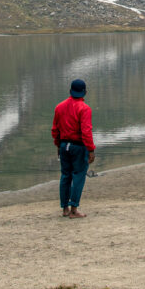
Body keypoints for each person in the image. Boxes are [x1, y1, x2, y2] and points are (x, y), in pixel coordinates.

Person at [51, 78, 95, 218]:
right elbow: (86, 131)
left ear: (70, 91)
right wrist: (91, 149)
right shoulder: (84, 109)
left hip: (64, 145)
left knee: (65, 176)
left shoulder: (59, 107)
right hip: (78, 146)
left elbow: (55, 129)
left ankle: (64, 209)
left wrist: (58, 145)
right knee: (78, 176)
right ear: (84, 92)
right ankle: (74, 209)